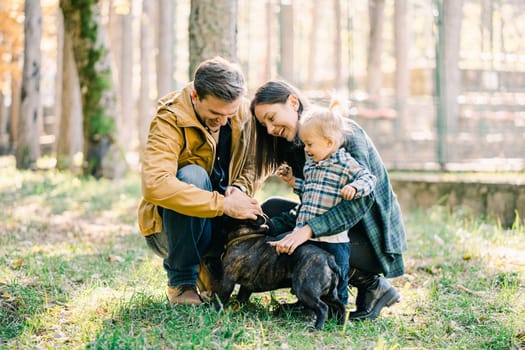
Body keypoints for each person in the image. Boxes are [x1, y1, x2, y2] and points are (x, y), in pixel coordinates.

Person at [250, 80, 407, 321]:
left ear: (293, 102)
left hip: (368, 239)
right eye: (264, 124)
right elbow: (314, 200)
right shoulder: (301, 147)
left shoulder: (343, 134)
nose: (270, 129)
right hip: (339, 230)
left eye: (272, 118)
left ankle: (371, 285)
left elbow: (358, 204)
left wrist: (308, 230)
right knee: (270, 211)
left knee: (298, 241)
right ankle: (311, 293)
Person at [137, 57, 262, 306]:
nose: (224, 121)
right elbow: (155, 184)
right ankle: (182, 282)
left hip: (220, 224)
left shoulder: (243, 114)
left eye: (230, 113)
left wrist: (239, 190)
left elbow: (254, 164)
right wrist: (222, 204)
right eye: (215, 113)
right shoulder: (169, 118)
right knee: (193, 175)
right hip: (170, 231)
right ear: (195, 95)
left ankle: (212, 263)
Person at [272, 103, 377, 306]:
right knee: (307, 269)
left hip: (333, 238)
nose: (306, 149)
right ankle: (309, 303)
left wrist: (355, 188)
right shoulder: (312, 164)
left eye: (309, 144)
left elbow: (369, 179)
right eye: (304, 144)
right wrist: (294, 181)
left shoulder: (345, 163)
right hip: (309, 232)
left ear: (329, 142)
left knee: (338, 273)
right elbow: (311, 192)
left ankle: (339, 308)